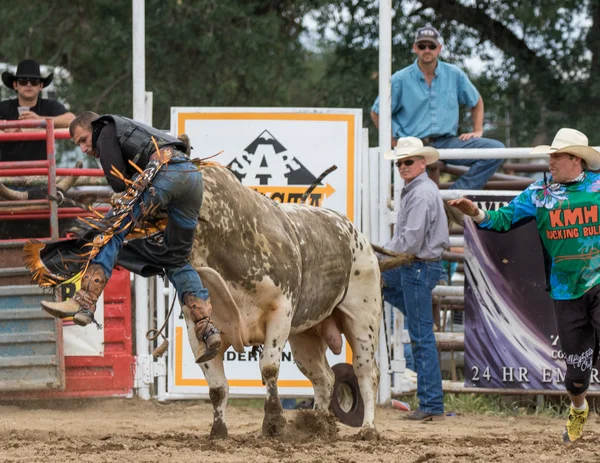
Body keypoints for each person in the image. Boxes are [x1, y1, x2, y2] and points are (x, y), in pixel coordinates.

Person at [449, 127, 600, 444]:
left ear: (576, 159)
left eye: (556, 155)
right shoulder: (538, 194)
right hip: (565, 291)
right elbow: (500, 221)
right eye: (550, 155)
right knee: (575, 375)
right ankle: (578, 408)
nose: (550, 160)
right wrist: (475, 212)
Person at [38, 112, 221, 363]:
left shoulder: (104, 129)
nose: (83, 149)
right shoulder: (129, 130)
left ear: (93, 127)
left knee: (111, 230)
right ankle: (207, 327)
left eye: (83, 140)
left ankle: (85, 301)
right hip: (191, 179)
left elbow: (117, 181)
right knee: (175, 259)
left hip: (165, 175)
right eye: (78, 144)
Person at [371, 25, 504, 190]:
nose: (427, 50)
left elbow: (476, 102)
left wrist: (477, 131)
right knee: (414, 191)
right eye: (422, 46)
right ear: (415, 48)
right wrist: (391, 140)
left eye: (432, 46)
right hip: (414, 146)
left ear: (439, 48)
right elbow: (377, 112)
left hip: (447, 142)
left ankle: (455, 196)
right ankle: (431, 203)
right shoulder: (400, 79)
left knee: (496, 150)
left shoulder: (454, 74)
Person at [382, 137, 449, 421]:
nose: (402, 166)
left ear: (423, 163)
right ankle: (419, 313)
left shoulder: (420, 194)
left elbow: (409, 240)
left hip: (418, 266)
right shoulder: (420, 190)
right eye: (399, 162)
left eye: (408, 161)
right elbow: (407, 239)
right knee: (380, 282)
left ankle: (431, 404)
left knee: (421, 337)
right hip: (418, 266)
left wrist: (380, 257)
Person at [0, 59, 75, 161]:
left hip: (42, 172)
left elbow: (71, 120)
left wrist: (40, 121)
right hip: (7, 173)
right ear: (15, 85)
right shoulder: (4, 107)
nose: (29, 85)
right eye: (23, 81)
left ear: (41, 85)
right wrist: (6, 127)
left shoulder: (50, 106)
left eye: (34, 81)